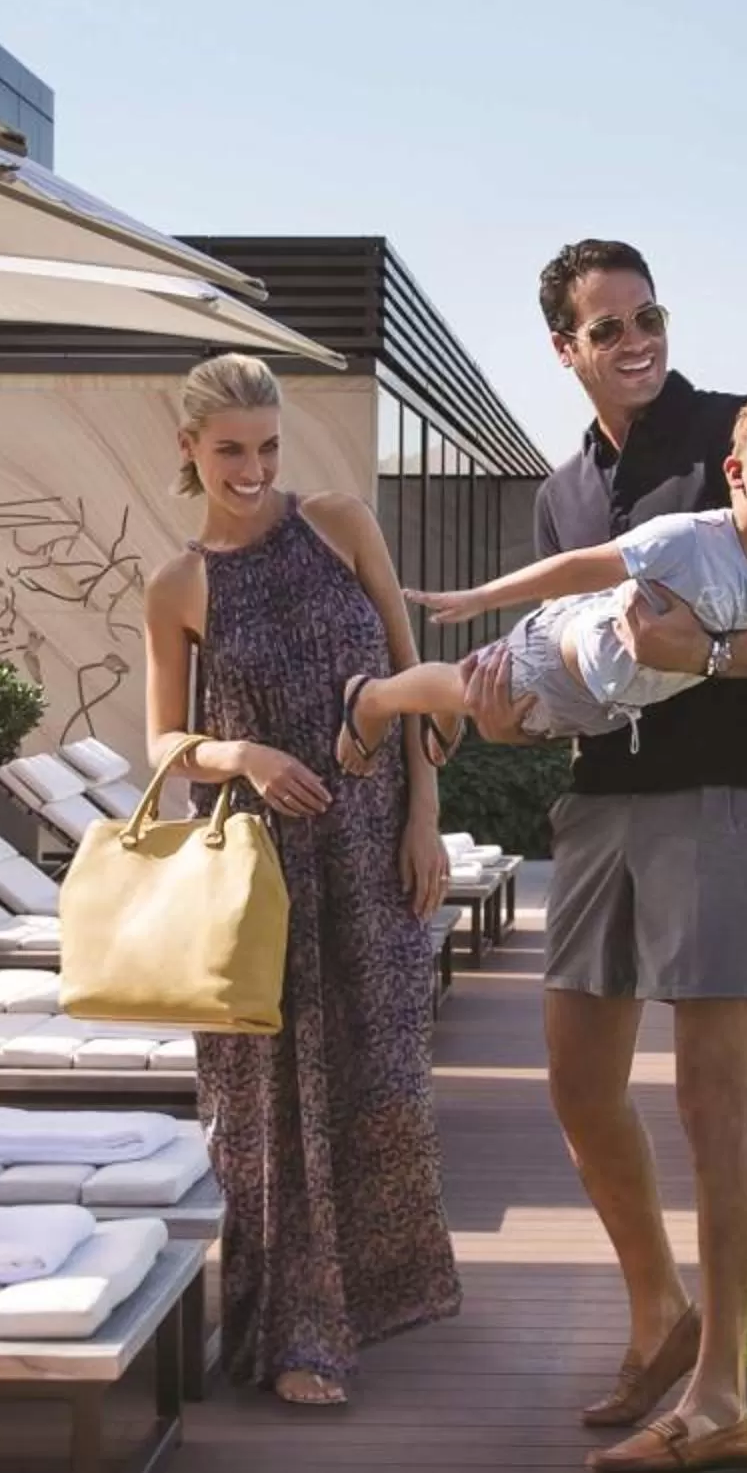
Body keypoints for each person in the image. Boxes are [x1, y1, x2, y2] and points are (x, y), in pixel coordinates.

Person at [464, 240, 747, 1473]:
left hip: (721, 797)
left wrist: (709, 657)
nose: (635, 339)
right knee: (576, 1078)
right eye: (607, 326)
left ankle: (720, 1392)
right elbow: (572, 660)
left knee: (711, 1097)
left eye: (647, 314)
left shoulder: (733, 434)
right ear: (566, 349)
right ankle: (656, 1307)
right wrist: (515, 708)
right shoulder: (562, 492)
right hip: (598, 801)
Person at [139, 352, 462, 1407]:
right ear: (188, 447)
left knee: (381, 1080)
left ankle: (372, 1295)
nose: (252, 467)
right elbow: (160, 742)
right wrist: (242, 757)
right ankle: (296, 1332)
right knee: (269, 1108)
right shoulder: (178, 584)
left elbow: (414, 680)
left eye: (267, 445)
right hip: (260, 870)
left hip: (370, 854)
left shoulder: (338, 522)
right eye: (230, 448)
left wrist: (425, 818)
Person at [342, 383, 747, 812]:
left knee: (474, 696)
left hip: (608, 708)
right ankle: (374, 698)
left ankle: (437, 702)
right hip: (562, 654)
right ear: (734, 472)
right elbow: (584, 565)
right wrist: (485, 596)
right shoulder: (687, 538)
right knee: (468, 685)